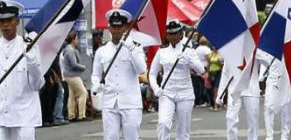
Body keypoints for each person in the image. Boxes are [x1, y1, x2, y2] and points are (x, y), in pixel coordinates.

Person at [91, 9, 147, 140]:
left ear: (126, 27)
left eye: (119, 26)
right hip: (110, 101)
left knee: (132, 137)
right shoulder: (102, 51)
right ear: (109, 27)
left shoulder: (135, 47)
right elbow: (96, 74)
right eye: (114, 26)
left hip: (130, 101)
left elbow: (141, 70)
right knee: (110, 137)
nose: (116, 30)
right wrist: (96, 85)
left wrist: (131, 48)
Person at [149, 19, 204, 140]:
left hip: (185, 94)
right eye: (170, 33)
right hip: (166, 93)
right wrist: (155, 88)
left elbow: (201, 70)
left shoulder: (189, 51)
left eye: (175, 33)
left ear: (181, 34)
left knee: (183, 130)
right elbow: (152, 74)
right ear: (167, 35)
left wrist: (189, 59)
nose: (173, 36)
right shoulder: (161, 52)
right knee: (163, 123)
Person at [0, 0, 45, 140]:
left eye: (9, 20)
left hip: (24, 115)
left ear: (17, 21)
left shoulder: (29, 47)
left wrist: (32, 61)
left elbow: (37, 84)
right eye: (1, 21)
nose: (5, 24)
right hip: (2, 114)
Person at [217, 61, 260, 140]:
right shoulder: (230, 51)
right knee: (230, 118)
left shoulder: (255, 50)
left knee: (253, 121)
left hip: (251, 89)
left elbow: (267, 62)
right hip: (234, 89)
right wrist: (220, 95)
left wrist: (257, 54)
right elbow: (225, 73)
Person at [258, 50, 291, 140]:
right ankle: (269, 135)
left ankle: (285, 134)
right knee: (268, 106)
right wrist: (262, 74)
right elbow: (259, 57)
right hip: (272, 81)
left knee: (285, 107)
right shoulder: (265, 51)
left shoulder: (286, 47)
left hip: (284, 81)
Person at [62, 31, 88, 121]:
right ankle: (81, 115)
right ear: (73, 40)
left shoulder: (70, 50)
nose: (77, 41)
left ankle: (71, 115)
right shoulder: (70, 51)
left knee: (72, 95)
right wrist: (83, 67)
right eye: (76, 39)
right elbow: (74, 64)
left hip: (68, 75)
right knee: (83, 93)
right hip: (72, 75)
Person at [194, 37, 212, 106]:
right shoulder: (207, 49)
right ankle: (206, 100)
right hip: (205, 68)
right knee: (206, 85)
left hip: (197, 68)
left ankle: (199, 100)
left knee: (199, 85)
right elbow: (209, 59)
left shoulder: (197, 49)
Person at [206, 45, 224, 111]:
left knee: (216, 90)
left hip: (218, 72)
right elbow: (208, 64)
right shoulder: (210, 54)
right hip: (211, 73)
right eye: (213, 47)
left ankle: (216, 106)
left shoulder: (221, 54)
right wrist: (207, 73)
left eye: (215, 47)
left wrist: (219, 63)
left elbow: (223, 65)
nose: (214, 48)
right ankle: (215, 104)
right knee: (210, 89)